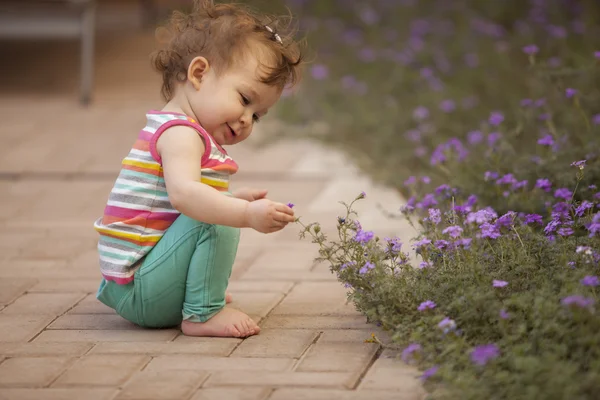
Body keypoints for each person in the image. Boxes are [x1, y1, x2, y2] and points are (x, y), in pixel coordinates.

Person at [93, 0, 303, 338]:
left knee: (216, 208)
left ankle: (197, 291)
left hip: (132, 282)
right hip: (139, 290)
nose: (247, 119)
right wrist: (244, 213)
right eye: (246, 100)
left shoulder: (179, 127)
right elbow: (186, 196)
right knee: (217, 216)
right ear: (199, 74)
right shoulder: (181, 134)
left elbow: (174, 204)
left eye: (258, 115)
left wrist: (233, 198)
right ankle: (202, 312)